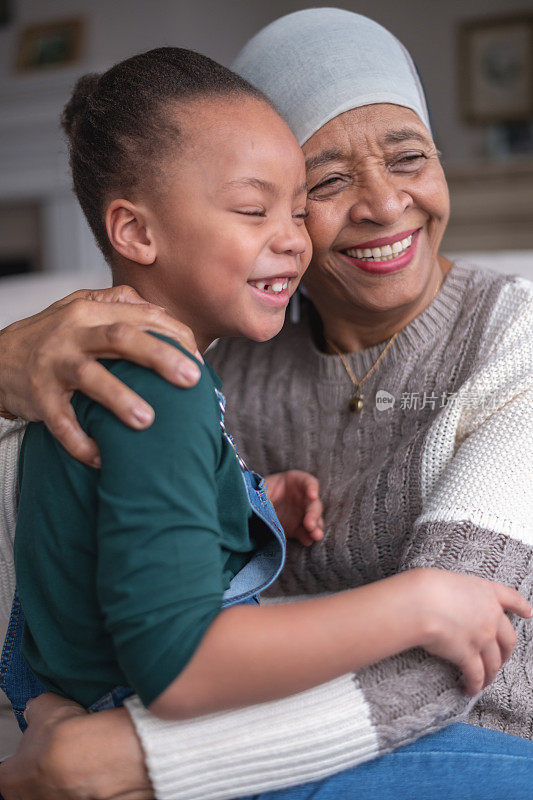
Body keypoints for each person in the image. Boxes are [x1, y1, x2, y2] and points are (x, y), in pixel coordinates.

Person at [0, 8, 532, 800]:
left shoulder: (512, 340)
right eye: (321, 184)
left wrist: (123, 756)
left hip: (435, 724)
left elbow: (451, 661)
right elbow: (100, 579)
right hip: (231, 726)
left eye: (409, 156)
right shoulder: (189, 359)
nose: (384, 205)